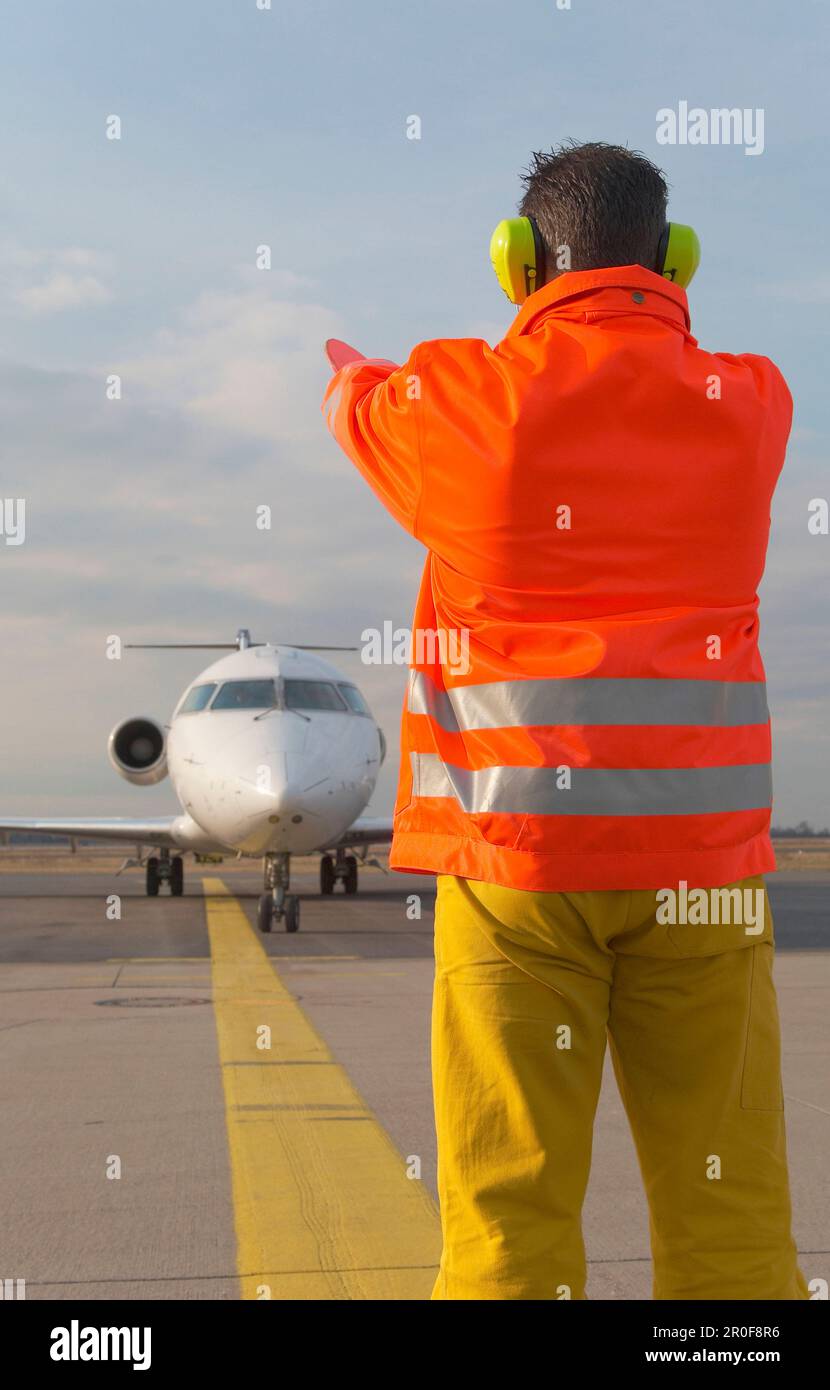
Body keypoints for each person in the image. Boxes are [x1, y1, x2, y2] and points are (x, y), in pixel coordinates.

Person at [322, 140, 807, 1301]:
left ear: (515, 262)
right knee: (727, 1213)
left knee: (506, 1219)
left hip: (515, 869)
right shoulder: (749, 402)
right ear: (674, 260)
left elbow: (353, 396)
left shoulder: (453, 403)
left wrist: (359, 368)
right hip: (699, 875)